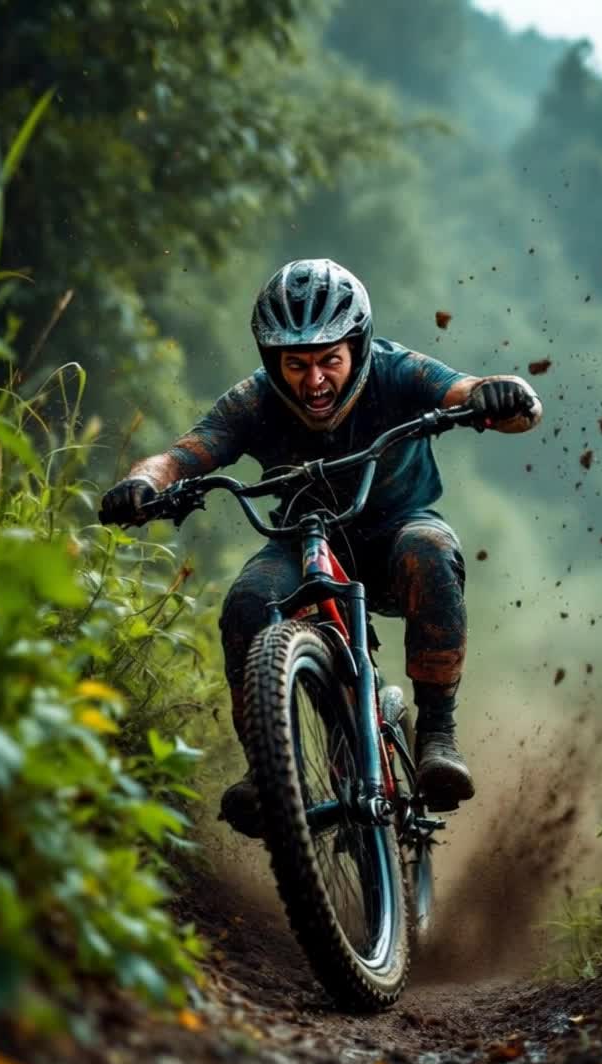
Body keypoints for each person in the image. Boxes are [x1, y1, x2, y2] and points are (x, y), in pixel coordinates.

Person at [100, 258, 542, 832]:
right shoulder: (254, 400)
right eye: (297, 364)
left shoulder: (397, 369)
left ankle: (437, 733)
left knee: (430, 548)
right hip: (299, 538)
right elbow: (186, 453)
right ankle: (268, 771)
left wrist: (502, 396)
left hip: (397, 530)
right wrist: (143, 484)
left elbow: (477, 394)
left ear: (355, 350)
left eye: (330, 360)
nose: (314, 382)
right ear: (272, 362)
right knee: (247, 603)